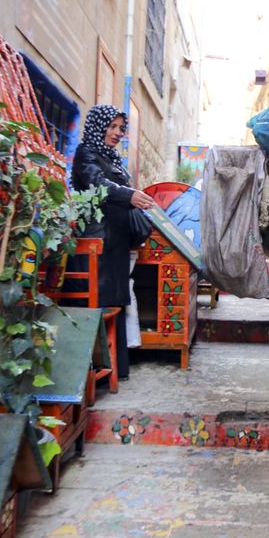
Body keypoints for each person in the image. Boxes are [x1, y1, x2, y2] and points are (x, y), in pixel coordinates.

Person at [71, 104, 154, 381]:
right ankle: (89, 372)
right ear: (99, 126)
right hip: (96, 243)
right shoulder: (86, 154)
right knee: (98, 301)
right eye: (112, 127)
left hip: (114, 242)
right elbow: (96, 183)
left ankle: (113, 372)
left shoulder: (113, 159)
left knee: (115, 301)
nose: (118, 133)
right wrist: (129, 194)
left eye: (121, 128)